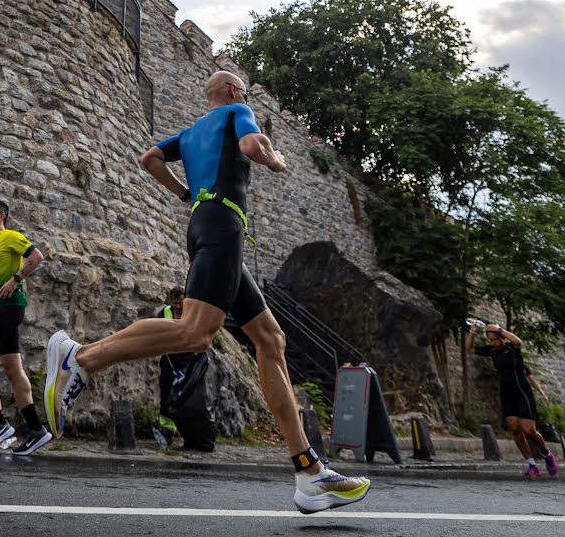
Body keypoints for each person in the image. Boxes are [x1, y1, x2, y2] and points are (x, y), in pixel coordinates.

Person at [43, 70, 371, 514]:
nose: (244, 98)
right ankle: (80, 359)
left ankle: (310, 473)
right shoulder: (239, 112)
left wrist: (185, 195)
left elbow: (150, 158)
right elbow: (252, 147)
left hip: (205, 225)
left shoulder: (192, 131)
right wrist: (275, 160)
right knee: (196, 333)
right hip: (223, 228)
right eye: (244, 92)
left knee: (271, 339)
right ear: (234, 92)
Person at [0, 200, 51, 455]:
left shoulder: (11, 236)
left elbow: (37, 257)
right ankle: (36, 429)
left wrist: (15, 280)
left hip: (10, 306)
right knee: (12, 369)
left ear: (1, 216)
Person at [466, 321, 557, 478]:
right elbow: (469, 349)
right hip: (506, 392)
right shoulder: (492, 351)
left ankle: (547, 454)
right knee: (515, 429)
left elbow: (518, 341)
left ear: (501, 337)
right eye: (491, 340)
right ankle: (532, 465)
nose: (494, 342)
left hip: (522, 392)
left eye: (496, 339)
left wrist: (499, 329)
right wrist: (473, 332)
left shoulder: (512, 348)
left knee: (529, 431)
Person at [157, 286, 216, 452]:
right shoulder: (163, 314)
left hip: (188, 364)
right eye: (175, 303)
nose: (177, 307)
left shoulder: (193, 314)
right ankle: (166, 430)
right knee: (166, 397)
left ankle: (188, 433)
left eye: (180, 303)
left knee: (188, 401)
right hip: (169, 362)